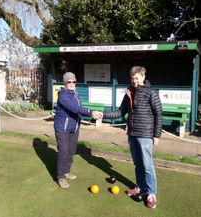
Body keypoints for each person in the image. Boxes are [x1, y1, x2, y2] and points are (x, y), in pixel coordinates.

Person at [101, 66, 163, 209]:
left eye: (137, 78)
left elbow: (159, 114)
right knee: (138, 164)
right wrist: (103, 114)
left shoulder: (151, 93)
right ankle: (140, 187)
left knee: (147, 165)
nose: (134, 81)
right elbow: (120, 112)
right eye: (132, 78)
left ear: (143, 77)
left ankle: (152, 193)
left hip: (146, 135)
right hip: (132, 134)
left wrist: (157, 135)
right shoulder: (129, 92)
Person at [54, 72, 101, 189]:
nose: (71, 83)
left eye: (73, 81)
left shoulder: (75, 94)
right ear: (65, 83)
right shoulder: (62, 95)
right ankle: (60, 177)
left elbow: (79, 108)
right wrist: (91, 112)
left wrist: (91, 114)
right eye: (69, 81)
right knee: (63, 152)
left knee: (71, 151)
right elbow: (74, 108)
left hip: (74, 128)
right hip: (62, 128)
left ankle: (66, 172)